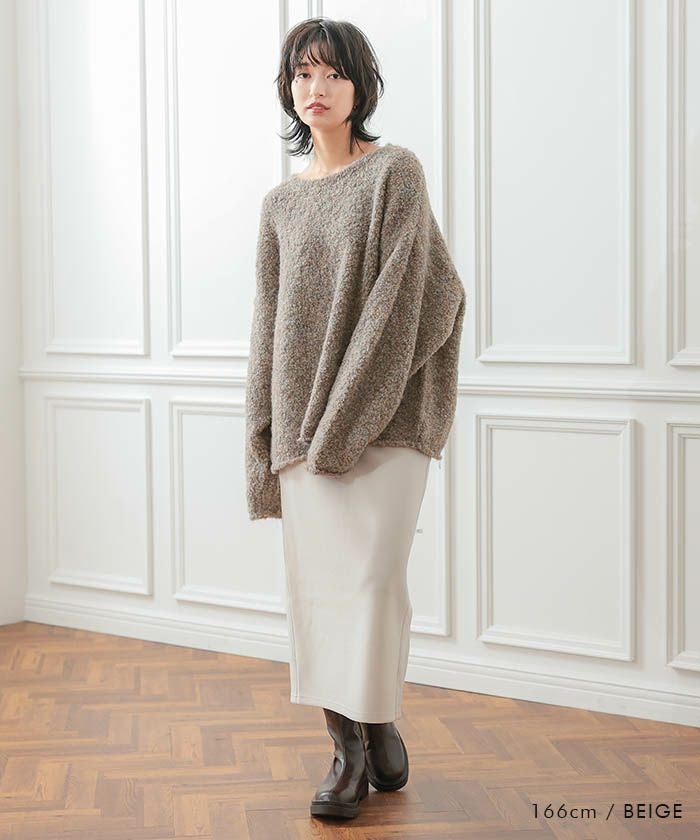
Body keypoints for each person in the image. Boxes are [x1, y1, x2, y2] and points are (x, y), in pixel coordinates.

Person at [245, 16, 466, 820]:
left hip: (388, 420)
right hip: (304, 430)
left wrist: (347, 418)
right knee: (321, 592)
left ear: (360, 87)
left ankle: (373, 717)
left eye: (333, 73)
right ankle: (351, 744)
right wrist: (265, 438)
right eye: (303, 74)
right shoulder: (279, 204)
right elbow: (269, 331)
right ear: (288, 89)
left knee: (372, 583)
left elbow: (412, 301)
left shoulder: (394, 174)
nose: (317, 88)